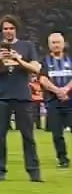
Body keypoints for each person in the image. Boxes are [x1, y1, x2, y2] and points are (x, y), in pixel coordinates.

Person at [0, 15, 41, 182]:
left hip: (22, 96)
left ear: (15, 29)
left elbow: (35, 69)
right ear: (1, 31)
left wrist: (18, 59)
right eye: (5, 29)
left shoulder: (27, 46)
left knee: (28, 136)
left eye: (11, 28)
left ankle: (34, 172)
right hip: (3, 96)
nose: (8, 31)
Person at [39, 32, 72, 169]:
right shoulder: (45, 61)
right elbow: (42, 79)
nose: (56, 45)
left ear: (63, 44)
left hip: (70, 101)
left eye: (58, 42)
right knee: (57, 134)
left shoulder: (70, 59)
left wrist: (66, 89)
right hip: (53, 102)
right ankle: (62, 158)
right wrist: (57, 90)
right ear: (49, 45)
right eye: (53, 42)